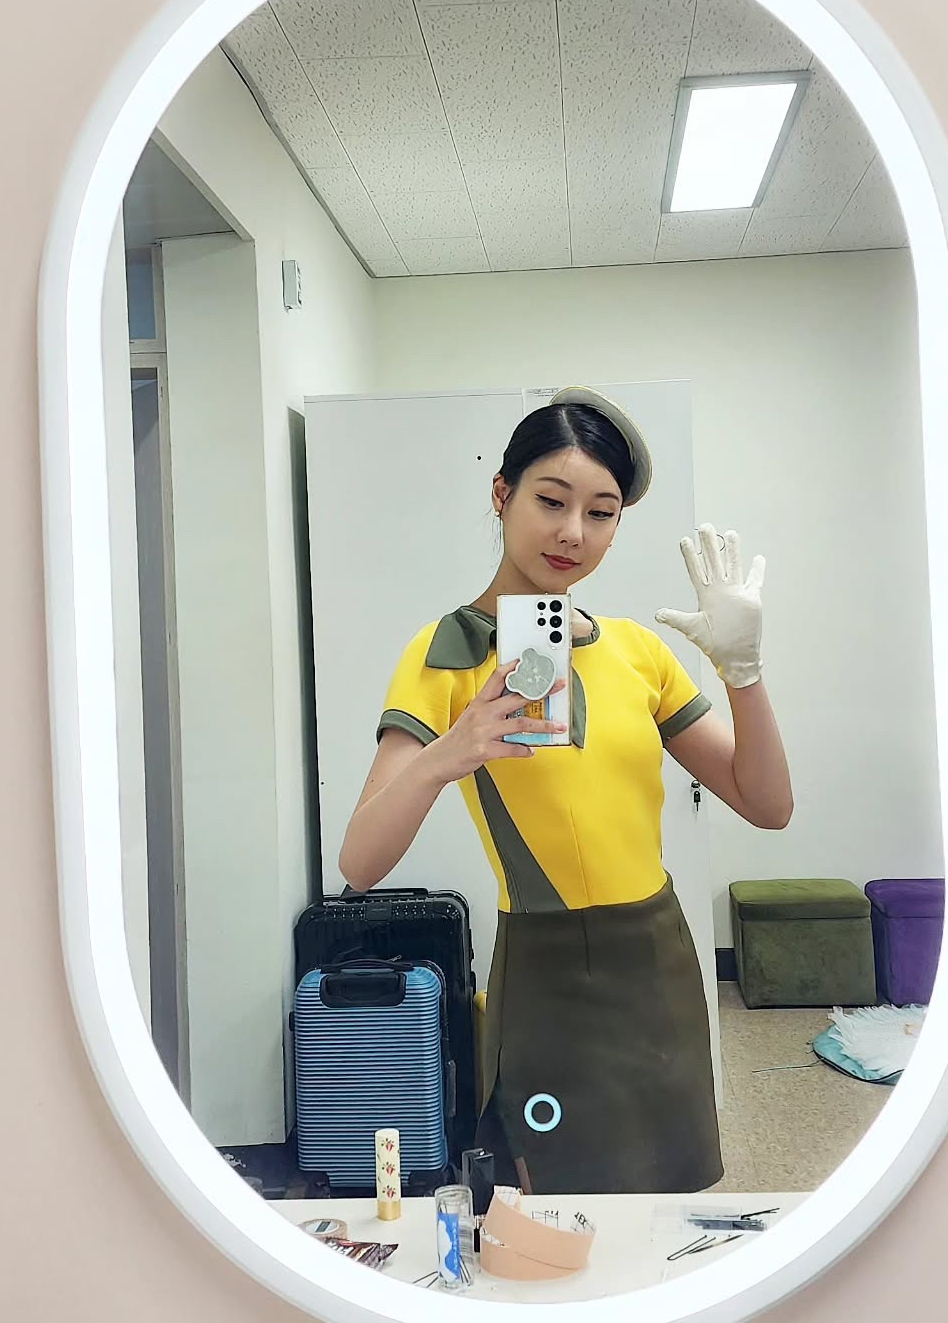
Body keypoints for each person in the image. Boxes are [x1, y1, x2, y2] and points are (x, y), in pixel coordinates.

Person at [339, 385, 793, 1195]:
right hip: (547, 978)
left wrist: (744, 673)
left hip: (658, 961)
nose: (573, 533)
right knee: (561, 1215)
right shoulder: (448, 654)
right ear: (501, 494)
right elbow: (360, 863)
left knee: (670, 1205)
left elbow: (768, 805)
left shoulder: (638, 652)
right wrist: (449, 754)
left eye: (601, 513)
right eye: (551, 501)